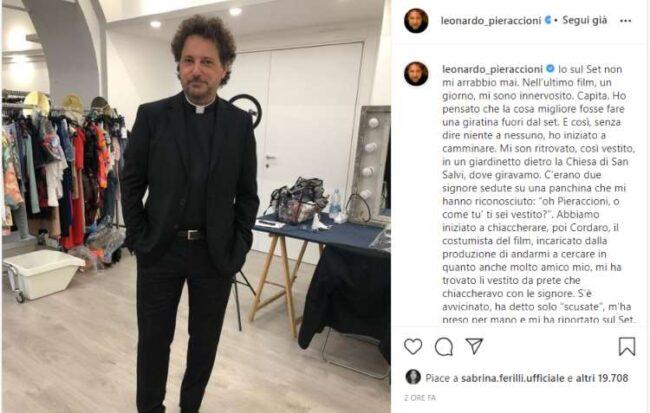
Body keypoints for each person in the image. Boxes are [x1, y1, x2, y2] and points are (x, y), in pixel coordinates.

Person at [121, 14, 259, 413]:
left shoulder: (239, 125)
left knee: (204, 344)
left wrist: (238, 249)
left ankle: (190, 408)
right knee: (153, 342)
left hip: (214, 255)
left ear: (225, 68)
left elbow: (247, 196)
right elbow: (131, 183)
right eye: (188, 60)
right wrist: (139, 238)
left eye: (206, 61)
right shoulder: (152, 116)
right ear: (178, 65)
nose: (196, 70)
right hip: (159, 251)